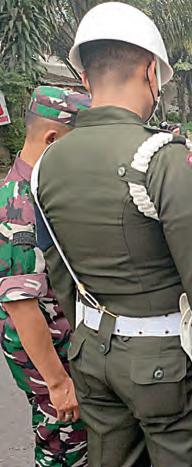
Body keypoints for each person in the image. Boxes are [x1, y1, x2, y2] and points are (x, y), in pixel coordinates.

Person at [33, 3, 192, 466]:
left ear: (85, 77)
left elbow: (60, 273)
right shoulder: (161, 159)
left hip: (93, 357)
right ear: (150, 72)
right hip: (167, 368)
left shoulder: (46, 164)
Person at [0, 86, 90, 467]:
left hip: (65, 347)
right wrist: (58, 382)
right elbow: (21, 307)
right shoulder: (19, 204)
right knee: (64, 449)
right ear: (52, 139)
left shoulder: (45, 188)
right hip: (49, 358)